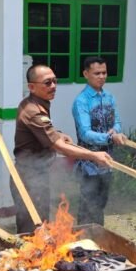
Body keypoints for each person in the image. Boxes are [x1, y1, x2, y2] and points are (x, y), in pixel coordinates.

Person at [12, 64, 112, 233]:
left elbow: (44, 132)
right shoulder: (33, 110)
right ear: (31, 87)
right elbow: (60, 148)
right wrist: (94, 156)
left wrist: (56, 133)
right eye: (47, 83)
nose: (53, 86)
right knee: (32, 229)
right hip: (28, 177)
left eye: (54, 81)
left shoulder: (37, 103)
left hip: (39, 174)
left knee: (41, 223)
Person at [72, 56, 127, 226]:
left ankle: (98, 240)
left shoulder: (109, 97)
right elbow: (85, 133)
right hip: (89, 164)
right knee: (88, 205)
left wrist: (115, 130)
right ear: (86, 74)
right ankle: (84, 241)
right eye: (97, 73)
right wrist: (110, 137)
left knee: (101, 204)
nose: (102, 76)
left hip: (107, 162)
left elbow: (117, 121)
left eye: (104, 72)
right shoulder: (81, 101)